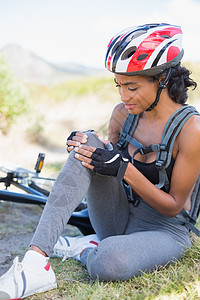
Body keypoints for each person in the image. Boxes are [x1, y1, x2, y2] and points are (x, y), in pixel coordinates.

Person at [0, 23, 200, 299]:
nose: (123, 96)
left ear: (163, 79)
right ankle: (35, 263)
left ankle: (86, 248)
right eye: (118, 85)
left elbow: (174, 206)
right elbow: (110, 156)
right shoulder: (122, 114)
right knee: (89, 144)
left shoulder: (191, 130)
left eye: (131, 86)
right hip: (116, 218)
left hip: (164, 231)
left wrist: (124, 169)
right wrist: (91, 146)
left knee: (109, 262)